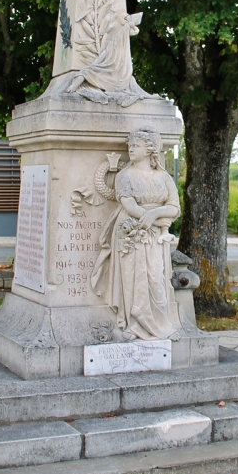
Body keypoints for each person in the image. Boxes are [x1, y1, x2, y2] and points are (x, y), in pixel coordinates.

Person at [91, 128, 181, 340]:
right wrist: (153, 219)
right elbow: (128, 204)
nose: (131, 149)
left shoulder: (164, 178)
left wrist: (157, 214)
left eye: (136, 146)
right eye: (130, 146)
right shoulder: (125, 176)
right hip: (132, 230)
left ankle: (160, 325)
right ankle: (134, 324)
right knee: (135, 277)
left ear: (149, 150)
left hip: (155, 234)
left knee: (155, 278)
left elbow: (174, 208)